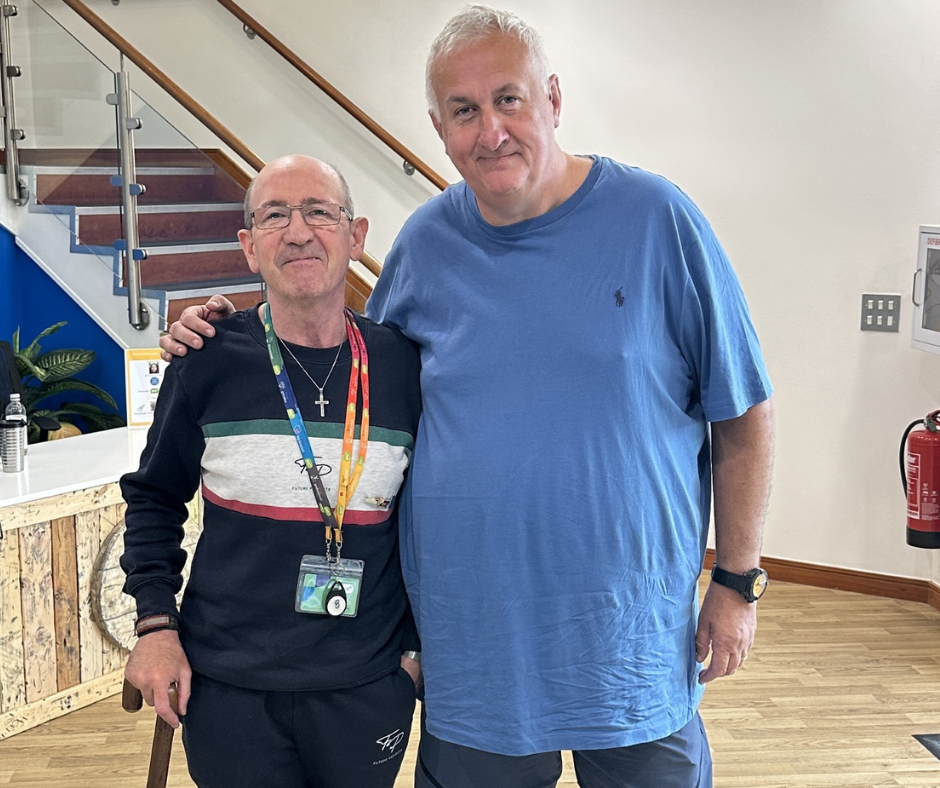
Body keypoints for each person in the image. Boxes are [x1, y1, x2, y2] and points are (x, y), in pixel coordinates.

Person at [160, 7, 775, 788]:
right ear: (439, 130)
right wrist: (222, 329)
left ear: (552, 98)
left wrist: (736, 581)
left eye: (509, 99)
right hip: (477, 656)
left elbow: (745, 412)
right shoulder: (423, 244)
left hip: (629, 646)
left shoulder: (659, 220)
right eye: (464, 111)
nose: (491, 131)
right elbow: (349, 384)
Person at [123, 155, 422, 788]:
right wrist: (155, 626)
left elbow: (434, 516)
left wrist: (414, 659)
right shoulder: (204, 358)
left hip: (366, 682)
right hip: (229, 684)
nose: (297, 230)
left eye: (319, 211)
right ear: (249, 246)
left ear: (356, 235)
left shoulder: (402, 365)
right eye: (274, 215)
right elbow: (154, 499)